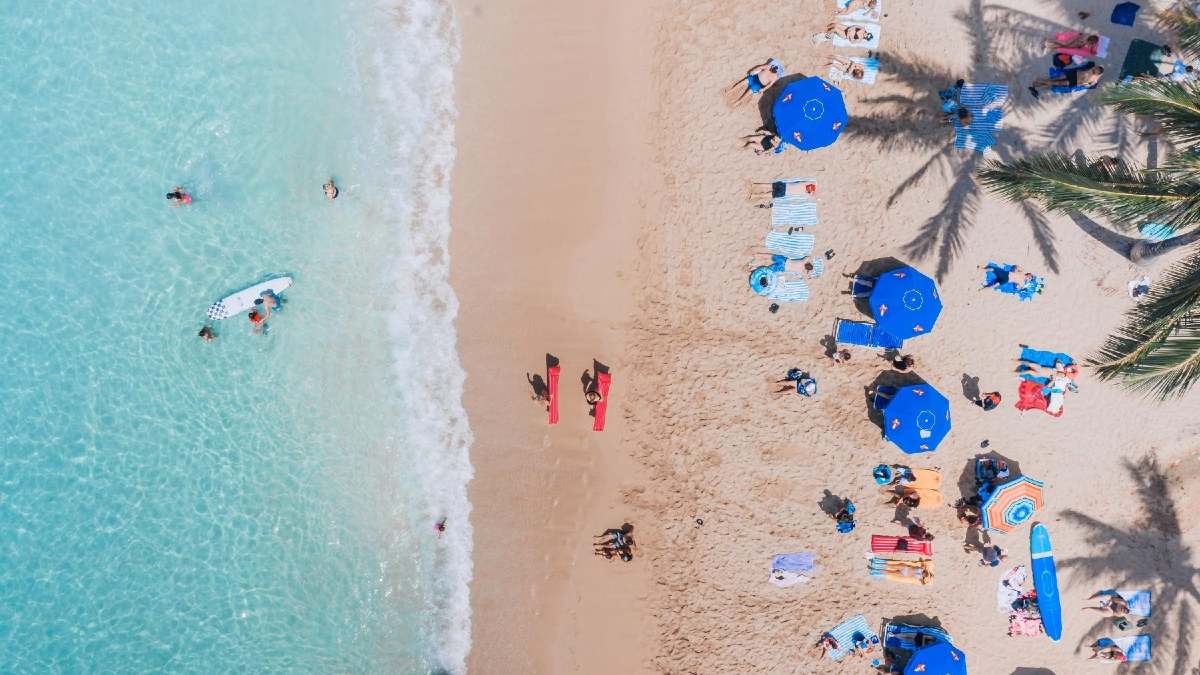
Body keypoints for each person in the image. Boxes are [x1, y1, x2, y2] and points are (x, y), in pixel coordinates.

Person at [1029, 63, 1103, 98]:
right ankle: (1037, 82)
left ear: (1098, 73)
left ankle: (1036, 86)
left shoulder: (1094, 77)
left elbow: (1087, 84)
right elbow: (1085, 83)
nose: (1096, 69)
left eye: (1097, 70)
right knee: (1054, 81)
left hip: (1074, 79)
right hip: (1073, 77)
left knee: (1055, 82)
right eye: (1097, 68)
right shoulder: (1092, 72)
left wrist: (1089, 83)